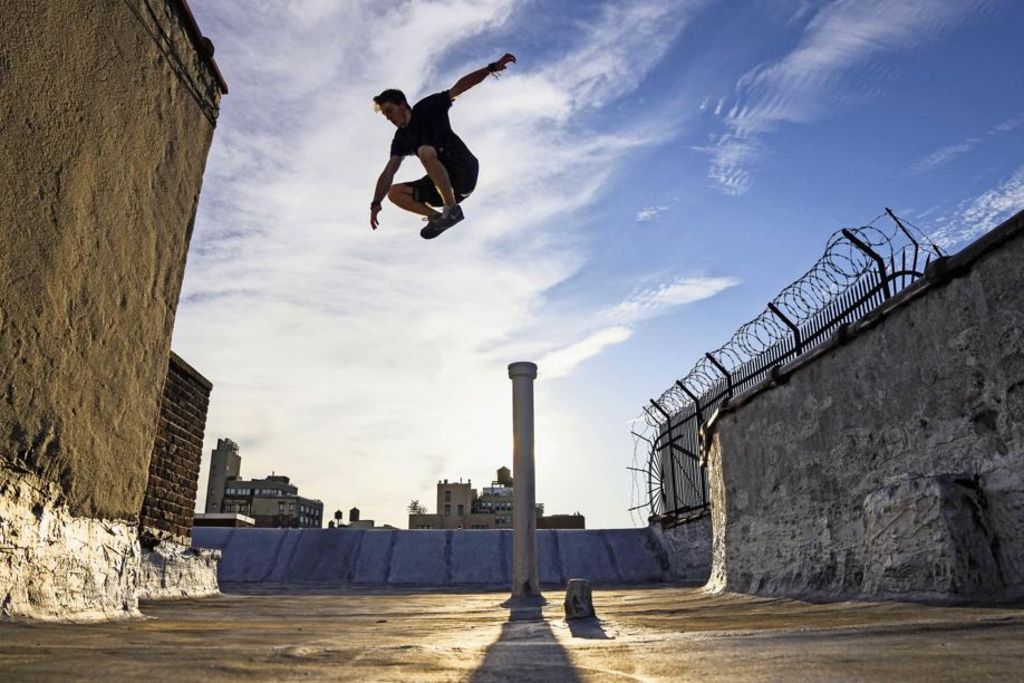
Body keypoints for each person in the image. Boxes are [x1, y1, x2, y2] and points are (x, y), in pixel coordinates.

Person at [369, 53, 517, 240]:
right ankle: (438, 217)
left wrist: (491, 68)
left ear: (402, 104)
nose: (389, 118)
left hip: (464, 170)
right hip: (444, 185)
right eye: (385, 115)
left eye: (390, 111)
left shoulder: (427, 107)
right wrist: (375, 203)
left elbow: (459, 88)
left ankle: (451, 209)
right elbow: (389, 172)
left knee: (425, 151)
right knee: (394, 192)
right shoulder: (401, 138)